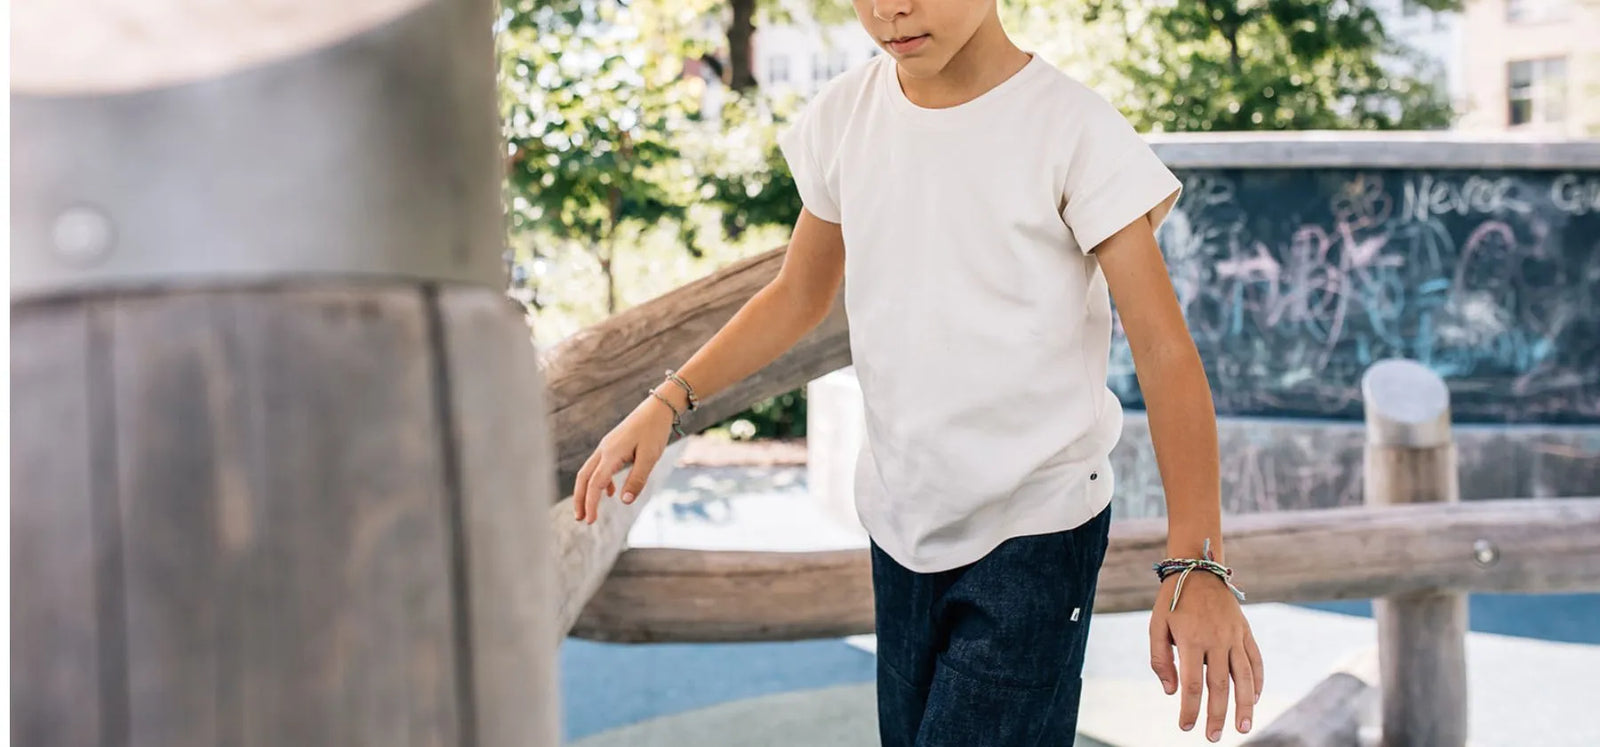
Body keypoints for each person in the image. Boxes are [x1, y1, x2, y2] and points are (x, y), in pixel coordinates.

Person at [571, 1, 1264, 744]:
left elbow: (1163, 350)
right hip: (901, 523)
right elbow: (799, 294)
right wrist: (668, 401)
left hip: (1037, 533)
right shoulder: (846, 115)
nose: (888, 10)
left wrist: (1198, 562)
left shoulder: (1074, 129)